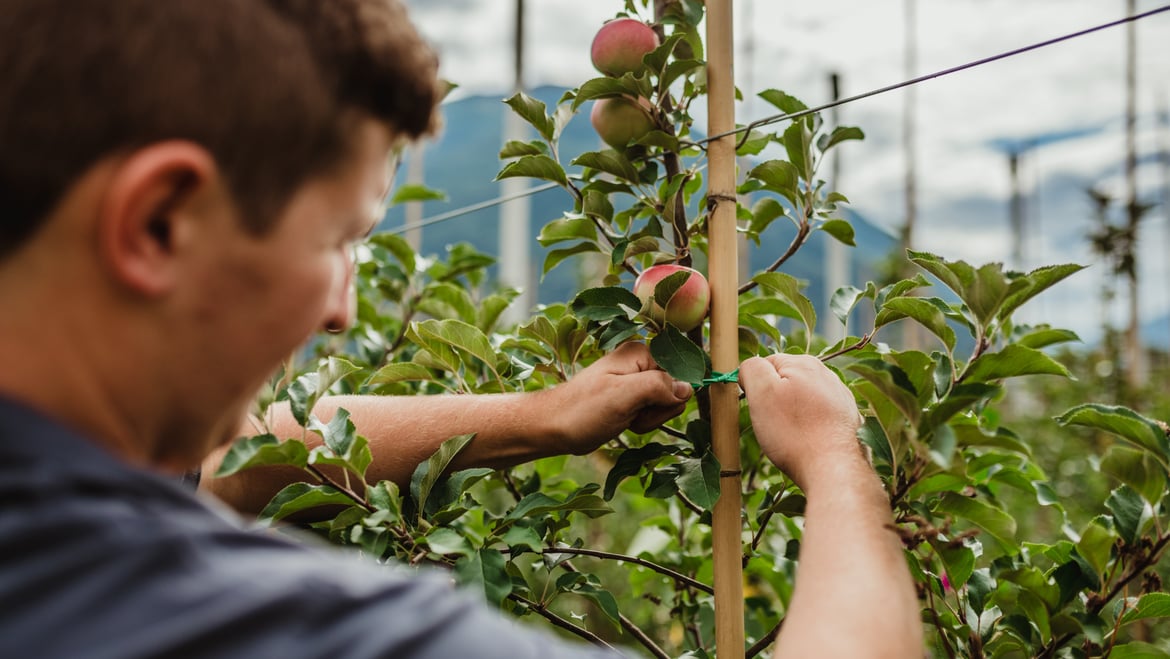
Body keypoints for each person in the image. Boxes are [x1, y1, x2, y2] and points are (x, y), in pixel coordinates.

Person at [0, 0, 922, 657]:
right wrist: (841, 464)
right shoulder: (257, 623)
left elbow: (246, 455)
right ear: (160, 222)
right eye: (335, 239)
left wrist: (544, 414)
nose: (340, 310)